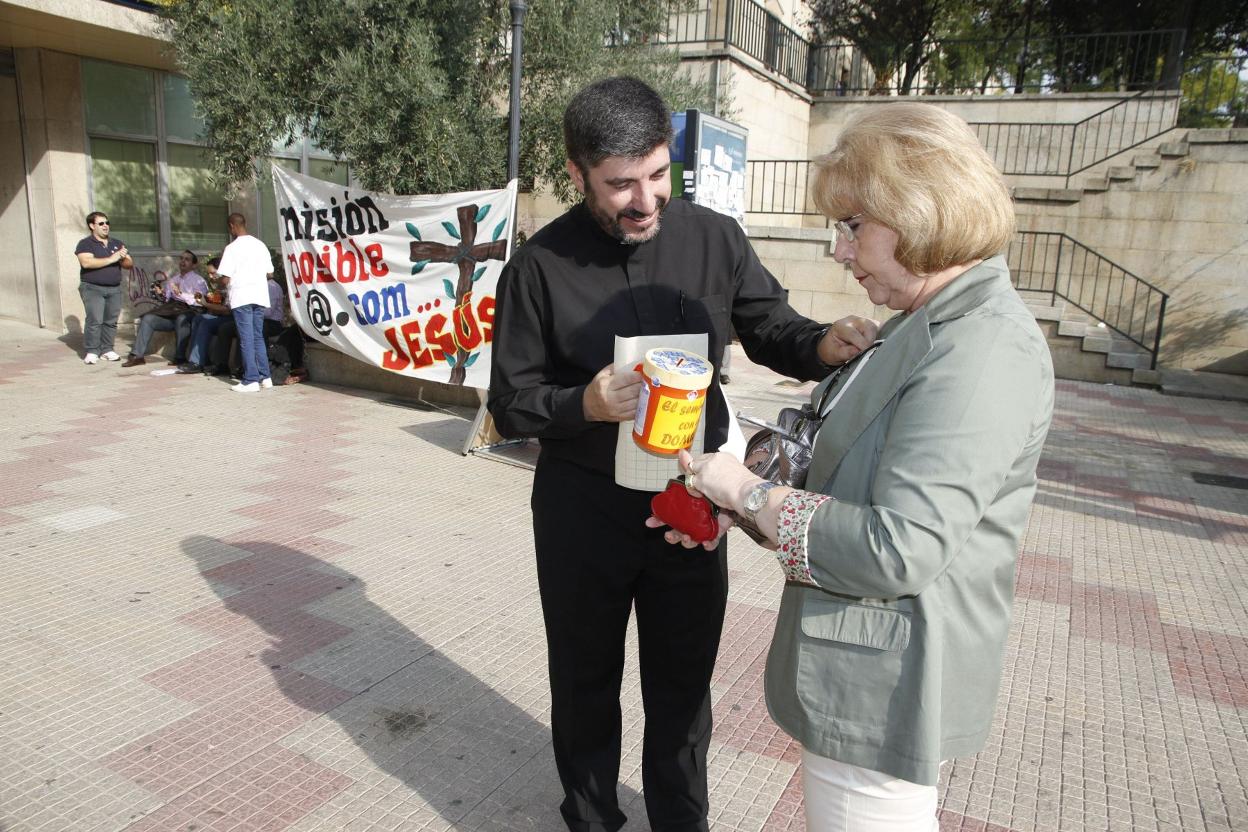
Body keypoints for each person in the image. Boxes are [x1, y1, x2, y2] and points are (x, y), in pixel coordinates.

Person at [658, 103, 1056, 831]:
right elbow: (838, 473)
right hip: (865, 674)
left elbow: (898, 547)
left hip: (886, 691)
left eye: (851, 226)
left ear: (918, 212)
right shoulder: (928, 324)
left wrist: (745, 490)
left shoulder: (981, 350)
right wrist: (739, 501)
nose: (840, 251)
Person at [486, 76, 863, 832]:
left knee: (683, 693)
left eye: (658, 175)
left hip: (693, 505)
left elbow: (773, 327)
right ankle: (591, 817)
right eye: (620, 184)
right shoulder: (538, 265)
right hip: (581, 514)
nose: (645, 200)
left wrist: (824, 343)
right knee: (585, 683)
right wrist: (583, 404)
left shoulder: (715, 238)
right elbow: (510, 402)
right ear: (578, 172)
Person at [216, 213, 273, 392]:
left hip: (242, 296)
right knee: (257, 336)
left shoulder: (232, 248)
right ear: (245, 224)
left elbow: (225, 278)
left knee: (246, 338)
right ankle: (266, 377)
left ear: (232, 226)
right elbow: (270, 273)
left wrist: (217, 282)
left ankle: (251, 380)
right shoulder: (260, 245)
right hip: (260, 295)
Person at [122, 250, 207, 367]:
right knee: (148, 318)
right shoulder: (174, 279)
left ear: (194, 265)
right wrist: (161, 292)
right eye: (181, 258)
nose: (183, 261)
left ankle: (180, 357)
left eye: (187, 259)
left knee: (181, 319)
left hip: (188, 312)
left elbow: (200, 301)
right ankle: (137, 355)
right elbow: (166, 301)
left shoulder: (199, 280)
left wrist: (180, 293)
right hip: (172, 312)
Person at [74, 211, 132, 364]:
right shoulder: (85, 244)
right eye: (101, 223)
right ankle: (92, 351)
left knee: (110, 321)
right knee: (95, 320)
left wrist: (123, 257)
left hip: (114, 288)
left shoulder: (117, 243)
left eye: (107, 223)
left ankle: (107, 349)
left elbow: (129, 265)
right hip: (93, 288)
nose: (105, 226)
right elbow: (87, 263)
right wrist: (113, 258)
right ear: (92, 226)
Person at [204, 275, 285, 377]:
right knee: (225, 328)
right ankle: (221, 364)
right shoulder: (258, 285)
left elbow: (268, 312)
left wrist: (247, 312)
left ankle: (241, 367)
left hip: (271, 322)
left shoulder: (272, 286)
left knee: (243, 329)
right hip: (255, 319)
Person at [182, 257, 228, 373]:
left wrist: (206, 304)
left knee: (205, 323)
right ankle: (195, 359)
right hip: (219, 315)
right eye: (209, 274)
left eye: (213, 273)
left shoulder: (230, 284)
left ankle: (197, 362)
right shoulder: (218, 286)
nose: (211, 277)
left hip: (230, 317)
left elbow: (227, 310)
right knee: (198, 319)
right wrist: (207, 300)